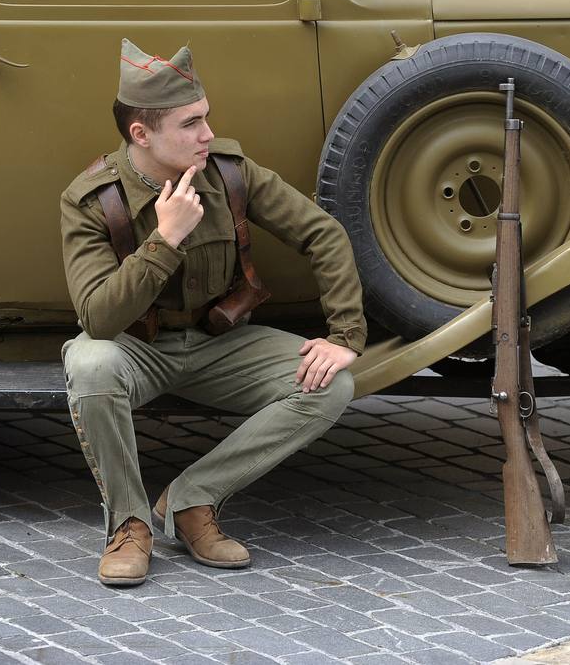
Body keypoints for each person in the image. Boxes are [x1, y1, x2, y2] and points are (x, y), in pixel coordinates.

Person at [59, 38, 365, 586]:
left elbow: (324, 234)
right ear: (141, 134)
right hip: (137, 348)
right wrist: (165, 238)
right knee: (89, 366)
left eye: (206, 118)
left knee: (331, 385)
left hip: (219, 344)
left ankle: (190, 500)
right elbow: (98, 319)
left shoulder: (228, 173)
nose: (206, 134)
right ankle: (129, 526)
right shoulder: (92, 199)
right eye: (189, 123)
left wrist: (344, 334)